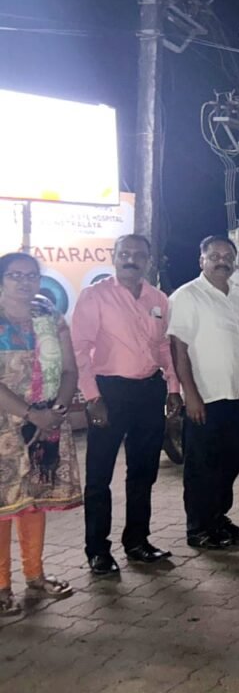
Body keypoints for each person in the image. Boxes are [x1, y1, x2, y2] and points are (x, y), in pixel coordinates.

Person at [72, 234, 181, 575]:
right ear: (114, 256)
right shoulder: (95, 296)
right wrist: (93, 398)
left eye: (138, 255)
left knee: (143, 472)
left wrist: (173, 388)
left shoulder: (158, 299)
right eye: (125, 253)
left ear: (149, 260)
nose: (131, 259)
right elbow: (79, 350)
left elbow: (163, 347)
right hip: (109, 393)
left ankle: (137, 541)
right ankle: (97, 550)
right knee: (99, 475)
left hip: (149, 392)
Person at [0, 253, 80, 614]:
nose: (24, 282)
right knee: (3, 505)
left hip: (47, 422)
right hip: (6, 424)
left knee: (33, 500)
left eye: (31, 275)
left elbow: (69, 369)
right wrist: (32, 413)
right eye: (15, 275)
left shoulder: (48, 314)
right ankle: (1, 586)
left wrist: (56, 411)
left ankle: (35, 574)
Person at [167, 235, 239, 550]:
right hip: (204, 397)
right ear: (201, 260)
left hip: (233, 395)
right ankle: (198, 528)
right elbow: (179, 348)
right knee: (202, 466)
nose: (221, 261)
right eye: (214, 256)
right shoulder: (188, 296)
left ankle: (217, 516)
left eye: (227, 256)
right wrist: (190, 394)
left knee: (231, 461)